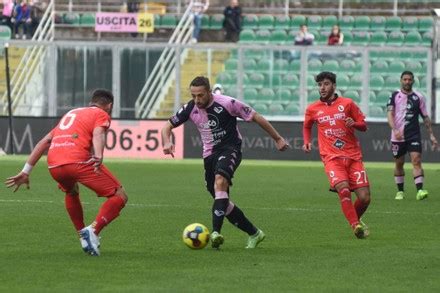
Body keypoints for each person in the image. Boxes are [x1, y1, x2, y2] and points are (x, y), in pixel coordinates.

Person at [161, 76, 289, 249]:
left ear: (209, 92)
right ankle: (255, 233)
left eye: (200, 95)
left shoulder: (228, 103)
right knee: (222, 200)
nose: (197, 100)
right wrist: (167, 142)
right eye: (193, 96)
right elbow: (167, 126)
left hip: (230, 149)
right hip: (209, 155)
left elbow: (256, 116)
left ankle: (215, 233)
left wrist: (278, 138)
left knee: (220, 181)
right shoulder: (190, 108)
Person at [5, 89, 128, 256]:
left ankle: (83, 236)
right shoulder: (101, 113)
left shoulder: (72, 113)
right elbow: (99, 133)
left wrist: (26, 171)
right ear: (109, 106)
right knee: (119, 195)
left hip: (54, 165)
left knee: (71, 191)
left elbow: (44, 141)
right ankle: (93, 230)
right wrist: (99, 155)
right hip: (77, 161)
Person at [302, 71, 371, 239]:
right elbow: (307, 126)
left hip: (353, 156)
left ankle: (355, 218)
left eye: (326, 84)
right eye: (319, 85)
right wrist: (307, 141)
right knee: (344, 190)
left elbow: (364, 126)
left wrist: (354, 123)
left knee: (365, 198)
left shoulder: (347, 104)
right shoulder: (312, 108)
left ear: (334, 85)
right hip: (332, 158)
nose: (322, 88)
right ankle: (355, 226)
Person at [386, 71, 438, 200]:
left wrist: (431, 135)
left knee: (416, 160)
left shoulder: (418, 97)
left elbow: (425, 117)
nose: (407, 82)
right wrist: (395, 129)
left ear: (413, 80)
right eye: (405, 79)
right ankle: (400, 191)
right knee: (399, 163)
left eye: (409, 79)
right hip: (397, 136)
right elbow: (390, 115)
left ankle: (420, 190)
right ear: (401, 80)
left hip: (413, 135)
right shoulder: (394, 95)